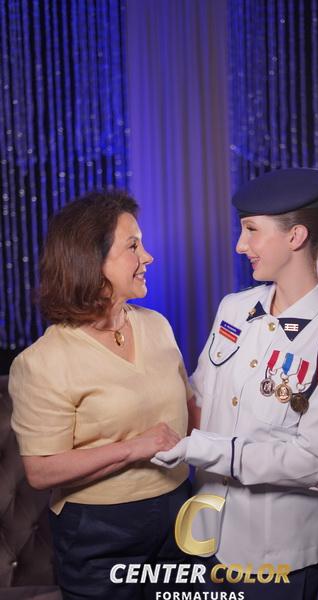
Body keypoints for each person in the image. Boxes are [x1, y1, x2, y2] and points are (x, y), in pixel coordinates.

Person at [152, 168, 318, 599]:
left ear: (295, 236)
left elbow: (310, 460)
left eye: (251, 230)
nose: (240, 244)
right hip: (203, 536)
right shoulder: (234, 309)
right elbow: (199, 398)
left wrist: (202, 449)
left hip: (274, 556)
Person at [9, 190, 196, 600]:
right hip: (100, 532)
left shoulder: (157, 325)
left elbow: (189, 410)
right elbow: (41, 471)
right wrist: (133, 448)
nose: (148, 257)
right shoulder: (42, 361)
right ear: (91, 262)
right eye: (133, 246)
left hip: (179, 513)